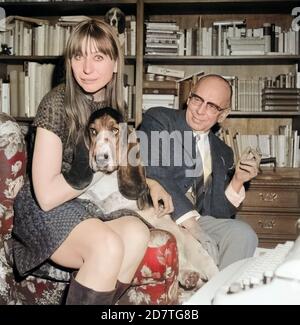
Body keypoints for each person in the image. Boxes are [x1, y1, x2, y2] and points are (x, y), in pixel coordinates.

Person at [12, 19, 172, 305]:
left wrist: (151, 182)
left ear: (114, 64)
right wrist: (100, 166)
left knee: (136, 233)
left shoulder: (115, 108)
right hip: (45, 208)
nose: (87, 68)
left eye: (98, 57)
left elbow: (125, 160)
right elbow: (47, 197)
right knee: (108, 245)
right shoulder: (55, 105)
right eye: (78, 56)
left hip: (86, 203)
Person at [139, 74, 259, 270]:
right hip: (160, 215)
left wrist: (237, 181)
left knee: (244, 234)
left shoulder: (223, 151)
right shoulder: (160, 119)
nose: (200, 111)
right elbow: (154, 169)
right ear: (189, 98)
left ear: (223, 114)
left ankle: (221, 297)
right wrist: (194, 228)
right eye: (197, 100)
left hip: (201, 220)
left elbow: (218, 214)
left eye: (211, 106)